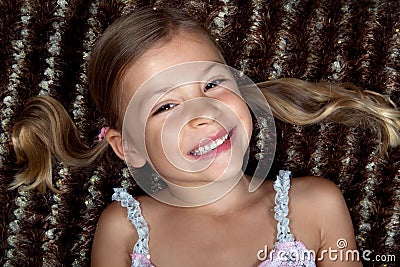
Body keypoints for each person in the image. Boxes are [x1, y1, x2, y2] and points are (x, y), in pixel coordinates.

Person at [10, 6, 400, 267]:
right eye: (165, 106)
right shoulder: (125, 229)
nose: (202, 113)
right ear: (128, 147)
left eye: (212, 84)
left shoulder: (316, 205)